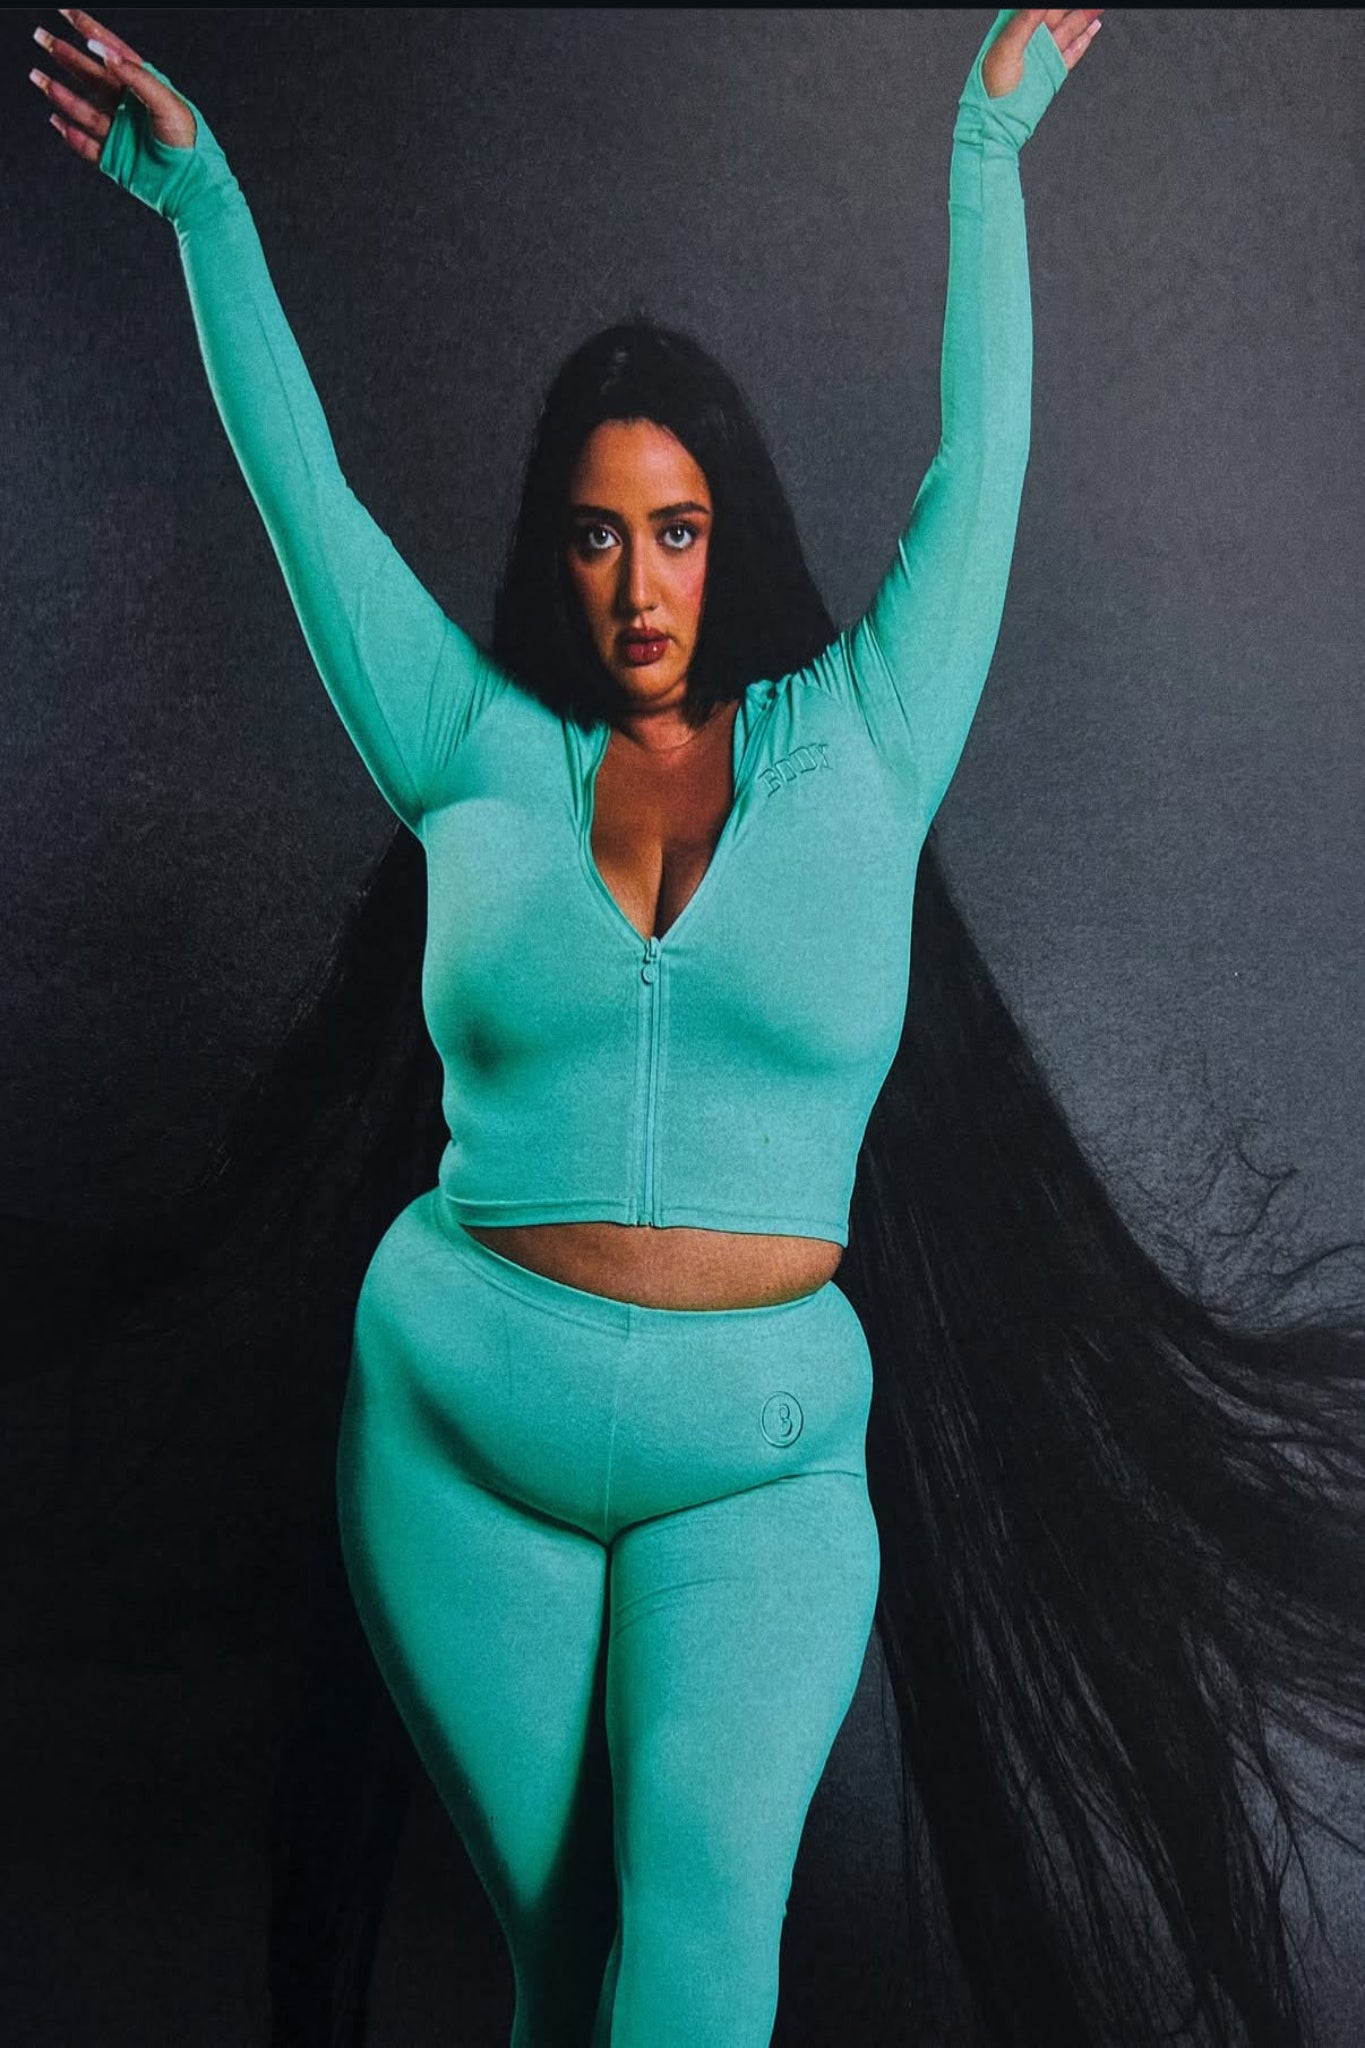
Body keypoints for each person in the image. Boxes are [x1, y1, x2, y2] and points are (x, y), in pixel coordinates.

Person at [27, 7, 1365, 2046]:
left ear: (724, 530)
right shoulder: (469, 750)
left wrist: (983, 153)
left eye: (674, 527)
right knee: (565, 1972)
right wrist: (203, 208)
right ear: (551, 550)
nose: (637, 582)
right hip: (457, 1433)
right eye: (595, 533)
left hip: (753, 1465)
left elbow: (981, 468)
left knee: (700, 1940)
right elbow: (309, 504)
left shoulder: (867, 740)